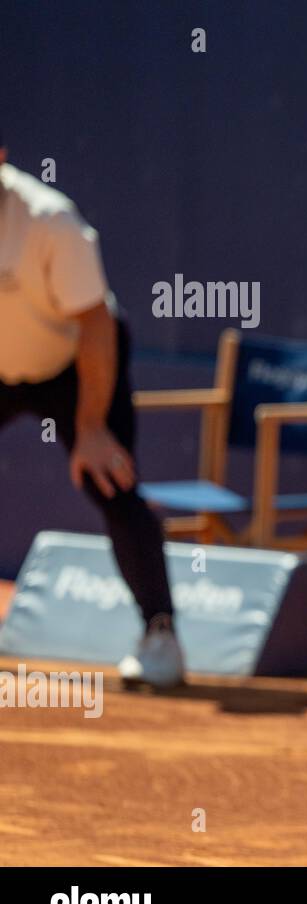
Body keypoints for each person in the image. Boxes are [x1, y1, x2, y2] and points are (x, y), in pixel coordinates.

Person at [0, 130, 183, 688]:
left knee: (110, 482)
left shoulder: (51, 221)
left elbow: (96, 323)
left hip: (76, 364)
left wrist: (91, 426)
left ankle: (161, 638)